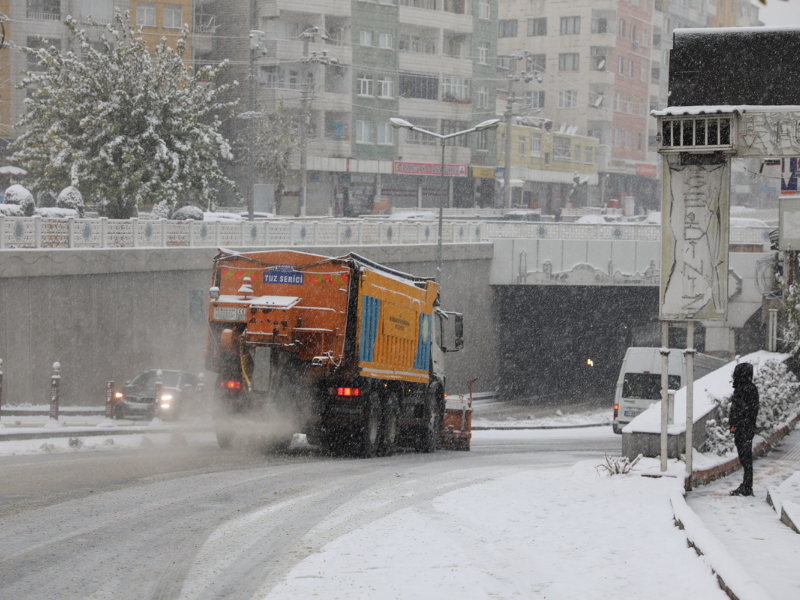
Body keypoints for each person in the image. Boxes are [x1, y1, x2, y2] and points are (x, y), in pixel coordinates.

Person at [728, 362, 760, 496]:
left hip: (744, 429)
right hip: (744, 428)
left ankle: (747, 486)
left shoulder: (745, 389)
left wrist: (738, 424)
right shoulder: (745, 388)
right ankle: (746, 485)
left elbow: (743, 410)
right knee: (744, 457)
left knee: (745, 457)